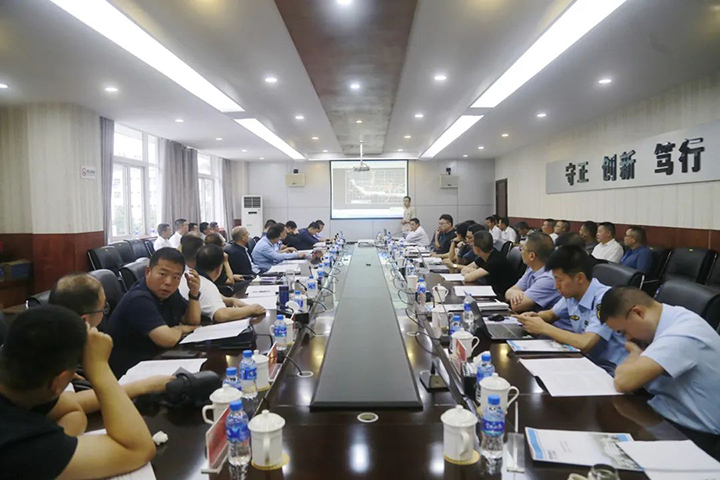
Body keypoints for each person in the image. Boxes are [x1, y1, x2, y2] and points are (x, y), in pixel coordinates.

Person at [0, 306, 156, 479]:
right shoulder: (18, 444)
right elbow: (137, 449)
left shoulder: (14, 380)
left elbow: (72, 411)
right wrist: (99, 368)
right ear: (58, 382)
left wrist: (55, 449)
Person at [599, 286, 720, 434]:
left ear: (638, 313)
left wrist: (634, 353)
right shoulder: (666, 319)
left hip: (695, 432)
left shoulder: (682, 334)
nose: (627, 338)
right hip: (663, 412)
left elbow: (623, 382)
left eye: (624, 331)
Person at [48, 273, 173, 414]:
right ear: (84, 321)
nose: (104, 314)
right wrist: (144, 386)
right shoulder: (51, 351)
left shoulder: (59, 334)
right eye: (104, 308)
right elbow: (68, 404)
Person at [515, 246, 627, 374]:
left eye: (559, 280)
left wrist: (543, 328)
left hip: (612, 369)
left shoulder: (605, 298)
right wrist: (534, 317)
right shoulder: (573, 294)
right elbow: (551, 314)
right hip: (585, 360)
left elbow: (586, 343)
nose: (556, 286)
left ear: (580, 278)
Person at [105, 248, 201, 377]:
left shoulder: (169, 293)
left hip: (155, 360)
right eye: (162, 274)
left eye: (176, 277)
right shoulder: (138, 299)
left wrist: (194, 294)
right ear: (148, 272)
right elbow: (167, 339)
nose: (168, 282)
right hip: (129, 373)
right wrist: (180, 328)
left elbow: (192, 321)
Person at [180, 245, 266, 324]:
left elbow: (207, 297)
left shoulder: (187, 275)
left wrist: (231, 300)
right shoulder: (207, 286)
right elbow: (221, 315)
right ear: (219, 269)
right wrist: (250, 309)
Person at [504, 232, 561, 313]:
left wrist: (516, 294)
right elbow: (508, 292)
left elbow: (517, 306)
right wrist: (516, 293)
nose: (521, 251)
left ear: (532, 256)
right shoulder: (532, 269)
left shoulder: (548, 278)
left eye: (522, 248)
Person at [460, 231, 516, 298]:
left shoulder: (495, 260)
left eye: (473, 245)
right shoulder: (485, 255)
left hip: (500, 295)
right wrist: (476, 271)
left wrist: (474, 272)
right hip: (490, 290)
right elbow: (464, 270)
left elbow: (468, 277)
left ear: (477, 249)